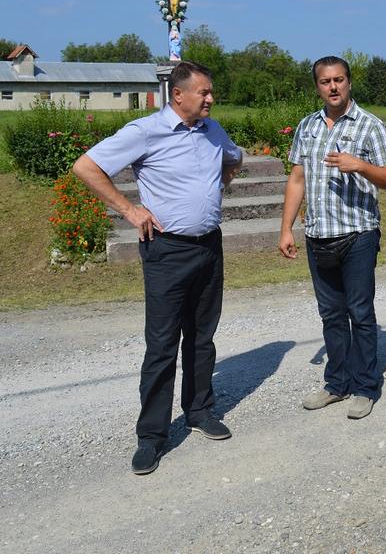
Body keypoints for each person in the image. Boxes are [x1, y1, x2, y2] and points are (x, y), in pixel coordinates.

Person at [73, 60, 242, 475]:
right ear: (178, 94)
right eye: (203, 92)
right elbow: (86, 167)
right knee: (163, 344)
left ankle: (199, 411)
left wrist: (220, 183)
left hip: (209, 247)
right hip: (167, 252)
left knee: (202, 338)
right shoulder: (146, 131)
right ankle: (151, 435)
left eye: (211, 91)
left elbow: (233, 158)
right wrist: (129, 209)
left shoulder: (213, 130)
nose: (211, 98)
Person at [279, 56, 386, 420]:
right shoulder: (308, 126)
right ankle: (337, 383)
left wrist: (359, 165)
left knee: (360, 312)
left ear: (349, 82)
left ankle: (365, 386)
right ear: (317, 86)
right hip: (318, 234)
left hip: (358, 233)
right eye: (325, 81)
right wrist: (286, 228)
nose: (333, 87)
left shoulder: (370, 126)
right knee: (331, 314)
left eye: (339, 80)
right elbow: (297, 178)